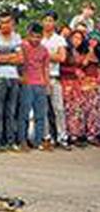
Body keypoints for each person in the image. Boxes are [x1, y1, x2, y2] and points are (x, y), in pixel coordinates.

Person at [0, 12, 23, 152]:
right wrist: (11, 57)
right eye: (2, 23)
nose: (4, 25)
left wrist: (3, 58)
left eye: (7, 22)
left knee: (11, 111)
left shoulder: (17, 36)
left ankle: (10, 141)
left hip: (13, 77)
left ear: (12, 23)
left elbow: (21, 59)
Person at [18, 22, 51, 150]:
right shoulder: (22, 46)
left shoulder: (44, 50)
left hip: (40, 84)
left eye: (38, 37)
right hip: (27, 84)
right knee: (24, 114)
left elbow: (46, 68)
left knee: (40, 115)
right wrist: (21, 77)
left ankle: (38, 141)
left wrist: (46, 84)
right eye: (33, 36)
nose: (35, 39)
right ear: (28, 35)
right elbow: (18, 63)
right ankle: (22, 140)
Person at [41, 11, 70, 149]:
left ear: (55, 23)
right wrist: (52, 55)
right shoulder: (37, 39)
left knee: (58, 108)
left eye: (51, 20)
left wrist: (44, 55)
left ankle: (62, 137)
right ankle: (47, 137)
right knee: (43, 109)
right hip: (39, 78)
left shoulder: (59, 39)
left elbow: (62, 57)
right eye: (46, 20)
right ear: (42, 22)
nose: (48, 23)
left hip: (54, 77)